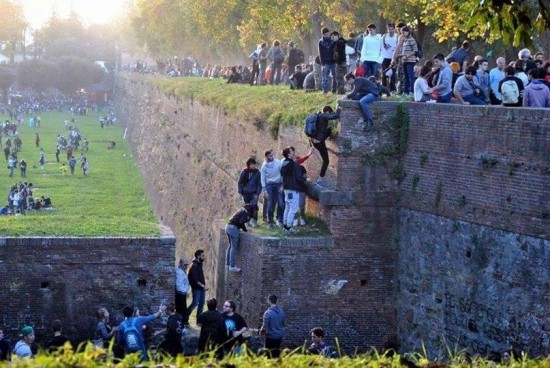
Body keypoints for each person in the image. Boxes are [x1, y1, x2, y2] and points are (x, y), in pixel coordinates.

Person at [309, 106, 340, 184]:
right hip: (319, 142)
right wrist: (338, 107)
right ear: (327, 112)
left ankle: (329, 140)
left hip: (313, 141)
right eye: (329, 113)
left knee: (328, 130)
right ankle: (320, 179)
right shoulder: (324, 116)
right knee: (326, 161)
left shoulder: (318, 115)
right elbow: (336, 116)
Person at [280, 147, 306, 233]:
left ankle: (285, 225)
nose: (293, 153)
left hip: (286, 188)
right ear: (288, 154)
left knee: (287, 207)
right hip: (293, 188)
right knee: (293, 208)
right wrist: (305, 179)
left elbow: (282, 174)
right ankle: (288, 227)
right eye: (291, 152)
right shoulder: (294, 164)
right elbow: (299, 177)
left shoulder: (284, 162)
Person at [225, 204, 257, 272]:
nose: (255, 213)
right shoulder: (245, 213)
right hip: (233, 228)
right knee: (234, 247)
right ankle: (232, 266)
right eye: (255, 211)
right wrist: (245, 230)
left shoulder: (242, 210)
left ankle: (228, 264)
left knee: (230, 246)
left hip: (228, 226)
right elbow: (241, 222)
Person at [260, 149, 284, 227]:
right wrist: (265, 191)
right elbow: (262, 178)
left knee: (281, 203)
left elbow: (283, 174)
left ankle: (280, 220)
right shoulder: (264, 166)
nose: (272, 157)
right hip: (269, 185)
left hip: (278, 183)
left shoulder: (278, 163)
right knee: (270, 203)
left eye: (273, 155)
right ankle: (270, 220)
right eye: (270, 155)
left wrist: (282, 186)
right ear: (266, 156)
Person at [237, 157, 262, 227]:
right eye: (251, 164)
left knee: (254, 207)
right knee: (247, 207)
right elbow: (240, 182)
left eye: (254, 164)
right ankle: (247, 221)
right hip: (245, 193)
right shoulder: (244, 172)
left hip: (254, 193)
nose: (253, 166)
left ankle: (254, 221)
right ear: (248, 165)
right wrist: (240, 192)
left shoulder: (257, 173)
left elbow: (259, 184)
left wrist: (258, 193)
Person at [395, 26, 418, 95]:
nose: (402, 34)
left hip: (410, 61)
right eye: (401, 33)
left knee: (411, 76)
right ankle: (406, 91)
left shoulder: (412, 40)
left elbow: (415, 51)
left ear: (407, 32)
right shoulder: (405, 40)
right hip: (404, 61)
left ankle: (412, 91)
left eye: (403, 32)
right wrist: (400, 55)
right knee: (406, 77)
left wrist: (406, 56)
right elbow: (405, 51)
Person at [187, 249, 208, 324]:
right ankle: (185, 317)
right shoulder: (194, 266)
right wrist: (203, 286)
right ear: (198, 256)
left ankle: (199, 321)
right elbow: (195, 280)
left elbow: (200, 277)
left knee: (201, 304)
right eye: (202, 256)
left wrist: (204, 285)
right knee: (195, 303)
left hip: (201, 289)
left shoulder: (199, 264)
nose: (204, 257)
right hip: (196, 289)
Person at [381, 23, 398, 91]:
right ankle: (383, 89)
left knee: (392, 75)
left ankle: (392, 89)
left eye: (391, 29)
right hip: (385, 58)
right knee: (384, 74)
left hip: (393, 58)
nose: (390, 30)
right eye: (389, 29)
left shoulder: (397, 36)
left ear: (394, 29)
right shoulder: (384, 36)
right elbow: (381, 46)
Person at [319, 27, 336, 94]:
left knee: (335, 77)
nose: (327, 35)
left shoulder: (332, 41)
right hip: (325, 62)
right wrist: (322, 64)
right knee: (325, 78)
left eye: (327, 34)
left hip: (333, 61)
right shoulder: (321, 42)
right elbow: (320, 53)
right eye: (325, 34)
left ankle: (334, 90)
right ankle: (325, 90)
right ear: (323, 34)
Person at [175, 259, 190, 326]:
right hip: (180, 293)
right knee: (181, 309)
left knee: (182, 309)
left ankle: (182, 322)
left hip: (182, 293)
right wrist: (184, 291)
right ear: (180, 263)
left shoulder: (182, 271)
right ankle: (182, 322)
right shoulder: (179, 272)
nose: (186, 266)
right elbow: (178, 284)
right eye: (185, 265)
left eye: (187, 265)